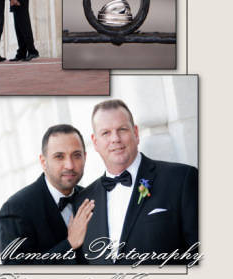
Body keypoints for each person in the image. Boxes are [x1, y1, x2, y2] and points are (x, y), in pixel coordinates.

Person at [77, 99, 199, 265]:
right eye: (105, 133)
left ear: (136, 133)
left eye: (122, 129)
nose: (115, 138)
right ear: (95, 142)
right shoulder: (82, 201)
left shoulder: (181, 179)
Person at [0, 124, 94, 264]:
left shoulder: (91, 197)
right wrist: (69, 244)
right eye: (59, 156)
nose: (70, 165)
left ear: (85, 158)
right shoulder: (15, 209)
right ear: (44, 162)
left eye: (76, 155)